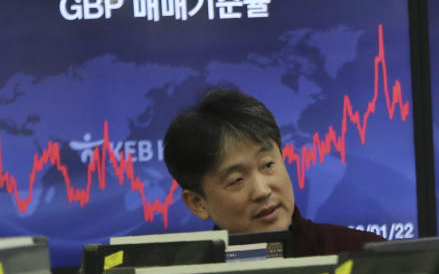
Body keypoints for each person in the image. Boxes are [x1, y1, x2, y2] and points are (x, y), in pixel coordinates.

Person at [163, 88, 384, 257]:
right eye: (237, 180)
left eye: (268, 165)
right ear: (197, 203)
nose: (262, 191)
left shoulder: (360, 254)